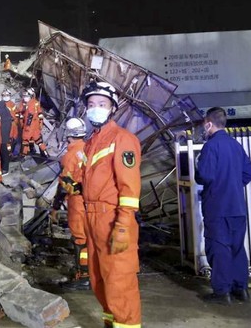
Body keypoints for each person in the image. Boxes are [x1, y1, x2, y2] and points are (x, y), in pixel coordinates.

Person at [80, 81, 142, 328]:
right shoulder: (92, 141)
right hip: (91, 218)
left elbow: (129, 188)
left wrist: (123, 225)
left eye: (102, 104)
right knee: (99, 281)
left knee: (119, 282)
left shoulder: (122, 139)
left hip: (112, 219)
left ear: (112, 108)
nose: (96, 108)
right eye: (91, 104)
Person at [195, 107, 251, 305]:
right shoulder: (236, 145)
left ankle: (222, 293)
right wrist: (232, 184)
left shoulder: (211, 147)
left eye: (205, 124)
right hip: (237, 207)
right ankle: (241, 289)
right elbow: (247, 174)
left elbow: (205, 175)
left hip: (217, 208)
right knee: (237, 248)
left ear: (209, 123)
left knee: (218, 249)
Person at [54, 117, 90, 291]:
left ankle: (83, 276)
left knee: (80, 238)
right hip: (91, 200)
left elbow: (65, 184)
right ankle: (92, 273)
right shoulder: (88, 149)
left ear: (68, 134)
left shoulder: (69, 156)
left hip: (77, 201)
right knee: (90, 236)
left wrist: (55, 206)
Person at [20, 88, 49, 158]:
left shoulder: (32, 104)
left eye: (26, 96)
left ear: (31, 96)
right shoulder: (29, 102)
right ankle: (45, 154)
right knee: (38, 139)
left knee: (25, 139)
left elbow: (29, 117)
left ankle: (24, 155)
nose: (25, 98)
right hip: (35, 124)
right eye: (24, 96)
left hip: (30, 125)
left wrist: (26, 126)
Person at [0, 93, 13, 176]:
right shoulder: (5, 108)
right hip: (6, 132)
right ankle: (4, 168)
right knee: (4, 151)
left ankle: (5, 169)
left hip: (1, 134)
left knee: (3, 151)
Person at [2, 90, 18, 156]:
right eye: (4, 95)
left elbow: (16, 114)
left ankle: (11, 152)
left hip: (13, 124)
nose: (6, 97)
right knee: (8, 140)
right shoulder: (1, 104)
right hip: (6, 125)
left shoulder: (12, 104)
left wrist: (16, 121)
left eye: (7, 95)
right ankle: (8, 153)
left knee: (14, 139)